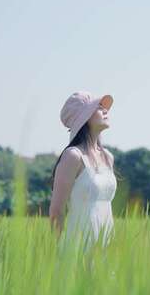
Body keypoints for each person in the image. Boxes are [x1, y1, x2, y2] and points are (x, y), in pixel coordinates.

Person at [49, 91, 117, 252]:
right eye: (98, 108)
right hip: (77, 249)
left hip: (106, 248)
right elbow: (56, 210)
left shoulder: (108, 157)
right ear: (84, 119)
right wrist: (60, 250)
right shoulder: (73, 156)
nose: (105, 111)